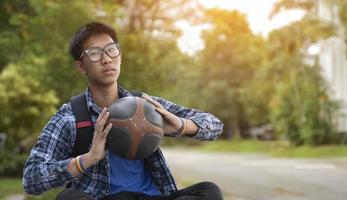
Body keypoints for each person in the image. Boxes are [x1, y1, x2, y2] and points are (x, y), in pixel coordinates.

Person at [22, 22, 224, 200]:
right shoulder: (70, 118)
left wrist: (181, 125)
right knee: (68, 197)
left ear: (120, 55)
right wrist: (88, 158)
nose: (107, 59)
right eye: (94, 53)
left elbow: (214, 125)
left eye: (111, 49)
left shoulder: (145, 104)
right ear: (81, 67)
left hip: (153, 196)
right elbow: (31, 179)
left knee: (209, 191)